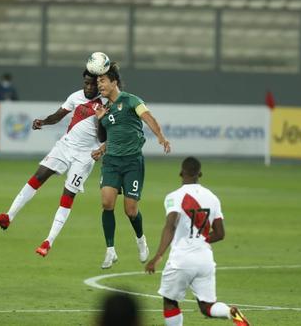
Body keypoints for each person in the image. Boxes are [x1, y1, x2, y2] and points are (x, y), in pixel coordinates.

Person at [0, 69, 105, 257]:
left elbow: (102, 137)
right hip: (65, 146)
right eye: (86, 83)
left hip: (84, 157)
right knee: (38, 176)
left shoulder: (104, 103)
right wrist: (42, 122)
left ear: (99, 84)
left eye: (93, 84)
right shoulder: (75, 97)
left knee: (67, 195)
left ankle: (48, 241)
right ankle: (8, 216)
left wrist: (100, 118)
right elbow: (58, 115)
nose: (89, 87)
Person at [145, 157, 250, 326]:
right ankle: (230, 312)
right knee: (207, 306)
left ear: (181, 173)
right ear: (200, 174)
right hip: (205, 260)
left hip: (181, 260)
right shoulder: (212, 198)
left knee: (170, 301)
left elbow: (170, 226)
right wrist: (201, 240)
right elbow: (220, 233)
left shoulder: (174, 197)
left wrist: (158, 255)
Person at [93, 62, 171, 269]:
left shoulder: (131, 101)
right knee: (107, 203)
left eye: (102, 81)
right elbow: (114, 134)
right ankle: (110, 251)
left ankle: (140, 239)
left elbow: (148, 117)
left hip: (132, 162)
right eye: (98, 81)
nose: (99, 85)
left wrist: (160, 136)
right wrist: (102, 148)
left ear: (114, 82)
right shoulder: (104, 109)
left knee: (130, 210)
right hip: (111, 161)